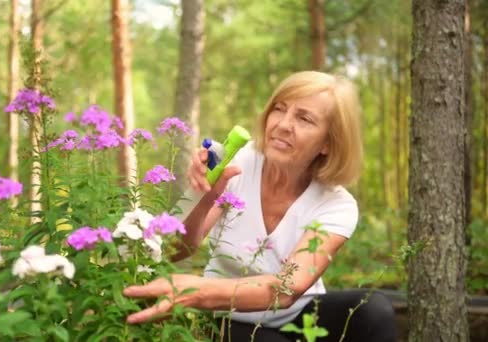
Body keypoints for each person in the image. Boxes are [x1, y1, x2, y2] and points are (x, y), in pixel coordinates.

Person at [123, 71, 397, 342]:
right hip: (226, 318)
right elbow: (177, 251)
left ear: (328, 142)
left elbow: (287, 289)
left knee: (374, 310)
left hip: (297, 314)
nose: (283, 124)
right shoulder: (237, 161)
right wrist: (203, 197)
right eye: (279, 109)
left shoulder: (337, 204)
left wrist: (196, 290)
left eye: (304, 118)